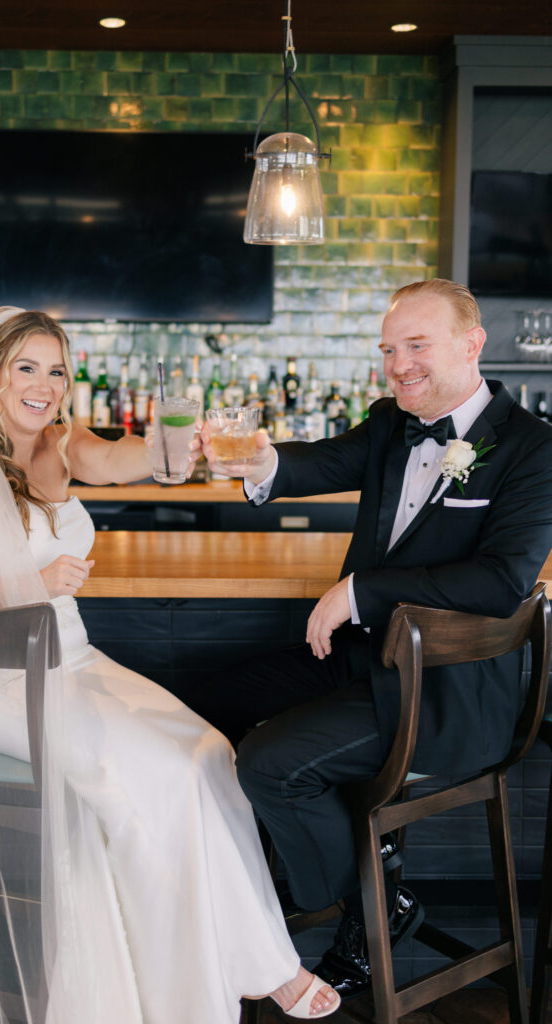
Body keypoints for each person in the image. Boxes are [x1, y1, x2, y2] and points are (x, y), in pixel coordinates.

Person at [0, 308, 340, 1024]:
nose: (45, 385)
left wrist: (172, 446)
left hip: (78, 664)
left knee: (209, 752)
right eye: (26, 368)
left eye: (56, 370)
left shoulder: (63, 444)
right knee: (150, 775)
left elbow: (128, 460)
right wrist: (24, 585)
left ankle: (221, 964)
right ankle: (264, 971)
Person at [191, 278, 552, 998]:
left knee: (269, 765)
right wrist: (259, 463)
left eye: (416, 346)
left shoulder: (533, 448)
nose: (397, 365)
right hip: (359, 662)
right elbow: (321, 462)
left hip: (444, 691)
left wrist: (362, 590)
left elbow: (501, 580)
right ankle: (304, 892)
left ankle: (353, 905)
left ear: (470, 343)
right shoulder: (391, 420)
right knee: (195, 705)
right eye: (389, 350)